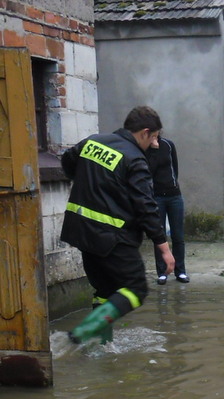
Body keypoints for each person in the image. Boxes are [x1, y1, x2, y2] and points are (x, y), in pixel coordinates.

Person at [61, 106, 175, 344]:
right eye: (154, 137)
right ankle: (82, 334)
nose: (155, 144)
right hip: (112, 238)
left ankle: (99, 348)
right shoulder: (134, 159)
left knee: (105, 291)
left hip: (82, 232)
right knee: (136, 289)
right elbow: (146, 207)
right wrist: (163, 248)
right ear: (144, 132)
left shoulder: (92, 142)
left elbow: (67, 160)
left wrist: (85, 182)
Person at [148, 135, 189, 284]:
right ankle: (162, 272)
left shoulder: (168, 144)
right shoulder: (145, 149)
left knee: (178, 235)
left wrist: (173, 186)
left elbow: (174, 169)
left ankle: (181, 271)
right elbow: (149, 170)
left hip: (174, 196)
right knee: (159, 235)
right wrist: (153, 150)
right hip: (157, 197)